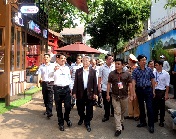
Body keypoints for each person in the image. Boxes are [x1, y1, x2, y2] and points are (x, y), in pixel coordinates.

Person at [106, 58, 133, 137]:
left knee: (122, 111)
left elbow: (130, 85)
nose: (116, 65)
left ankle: (121, 122)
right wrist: (107, 94)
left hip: (124, 96)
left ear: (122, 65)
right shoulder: (111, 74)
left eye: (118, 64)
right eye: (115, 64)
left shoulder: (127, 74)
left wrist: (131, 95)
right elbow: (108, 84)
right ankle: (118, 128)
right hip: (115, 96)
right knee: (117, 111)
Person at [73, 56, 97, 132]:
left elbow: (95, 83)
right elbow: (75, 82)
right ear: (82, 61)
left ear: (90, 62)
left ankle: (87, 122)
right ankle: (82, 117)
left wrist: (95, 93)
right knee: (80, 108)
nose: (85, 62)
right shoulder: (78, 71)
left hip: (89, 92)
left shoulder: (93, 71)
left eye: (87, 61)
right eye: (84, 60)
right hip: (80, 92)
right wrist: (74, 92)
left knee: (89, 109)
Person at [132, 54, 155, 133]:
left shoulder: (149, 70)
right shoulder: (135, 70)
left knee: (149, 107)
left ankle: (151, 125)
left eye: (145, 60)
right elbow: (133, 81)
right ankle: (143, 122)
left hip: (148, 90)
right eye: (142, 60)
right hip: (139, 90)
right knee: (141, 106)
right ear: (139, 61)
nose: (144, 61)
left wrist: (153, 90)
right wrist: (133, 92)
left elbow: (152, 79)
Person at [53, 53, 72, 131]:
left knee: (68, 106)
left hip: (66, 89)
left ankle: (66, 118)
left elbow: (69, 78)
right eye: (62, 58)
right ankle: (60, 123)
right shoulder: (53, 67)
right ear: (58, 59)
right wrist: (53, 70)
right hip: (57, 89)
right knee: (59, 107)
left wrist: (71, 88)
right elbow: (49, 76)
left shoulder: (67, 68)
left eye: (64, 58)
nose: (63, 60)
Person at [37, 53, 55, 118]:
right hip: (44, 83)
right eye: (45, 57)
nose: (46, 58)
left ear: (50, 58)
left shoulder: (53, 65)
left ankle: (49, 112)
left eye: (47, 57)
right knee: (45, 98)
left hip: (51, 83)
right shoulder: (41, 66)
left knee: (50, 98)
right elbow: (39, 74)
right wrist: (38, 83)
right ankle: (47, 109)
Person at [98, 54, 114, 122]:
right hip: (104, 87)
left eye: (112, 59)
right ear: (106, 60)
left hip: (114, 88)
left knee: (113, 102)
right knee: (106, 102)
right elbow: (99, 77)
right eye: (110, 59)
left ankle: (113, 113)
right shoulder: (102, 67)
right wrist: (99, 85)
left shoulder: (114, 67)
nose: (111, 60)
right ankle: (106, 115)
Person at [153, 60, 170, 127]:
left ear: (160, 65)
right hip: (155, 91)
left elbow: (167, 85)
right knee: (155, 106)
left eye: (156, 65)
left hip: (162, 91)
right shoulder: (154, 72)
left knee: (162, 107)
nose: (155, 66)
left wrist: (166, 94)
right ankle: (155, 118)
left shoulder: (166, 74)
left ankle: (162, 121)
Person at [124, 54, 140, 121]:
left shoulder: (136, 68)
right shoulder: (130, 68)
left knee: (135, 101)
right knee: (130, 101)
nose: (128, 61)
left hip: (135, 87)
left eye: (129, 60)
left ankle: (136, 115)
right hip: (129, 87)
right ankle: (130, 114)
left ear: (131, 61)